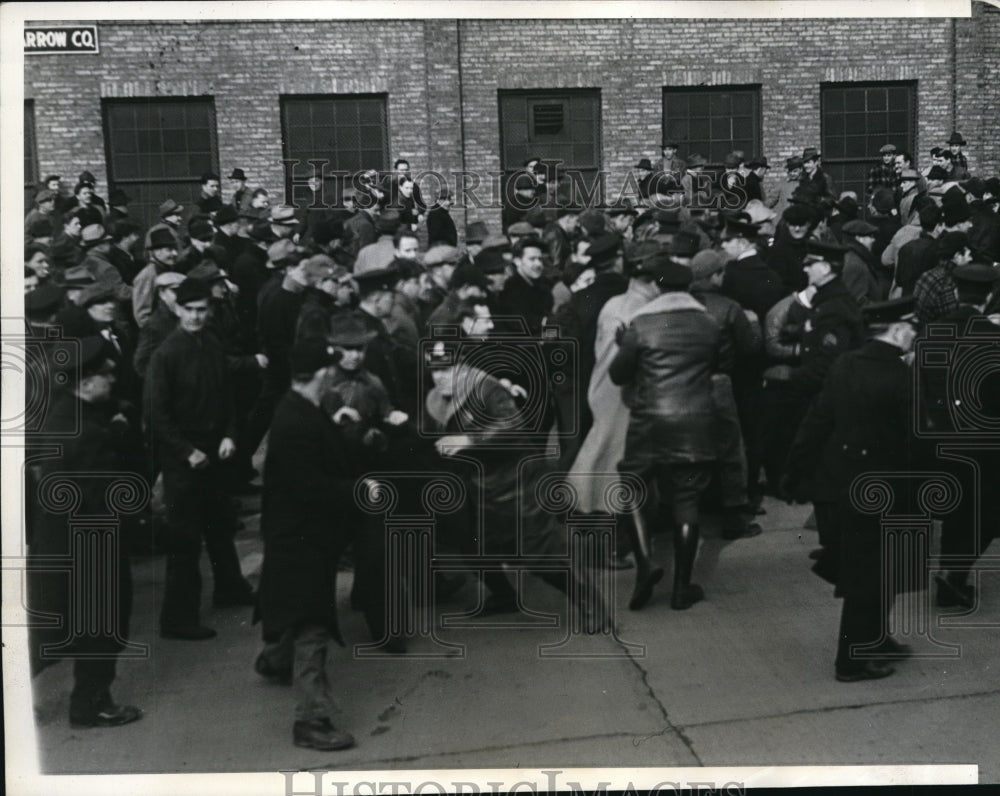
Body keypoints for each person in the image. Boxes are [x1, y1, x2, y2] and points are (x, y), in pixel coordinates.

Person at [28, 336, 144, 727]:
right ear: (85, 382)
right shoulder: (88, 435)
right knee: (100, 629)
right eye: (106, 376)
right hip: (90, 550)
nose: (112, 381)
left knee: (49, 636)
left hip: (59, 545)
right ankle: (92, 704)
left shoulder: (65, 413)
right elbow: (105, 496)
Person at [256, 338, 362, 751]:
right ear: (319, 375)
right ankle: (311, 720)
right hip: (303, 540)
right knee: (312, 625)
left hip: (295, 537)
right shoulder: (296, 421)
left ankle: (274, 660)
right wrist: (358, 489)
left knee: (294, 610)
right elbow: (310, 486)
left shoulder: (298, 410)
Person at [609, 254, 727, 610]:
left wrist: (622, 346)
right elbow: (718, 364)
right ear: (689, 286)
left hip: (649, 420)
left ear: (658, 287)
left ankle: (645, 564)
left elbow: (619, 375)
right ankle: (681, 588)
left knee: (631, 487)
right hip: (695, 420)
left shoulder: (640, 325)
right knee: (687, 498)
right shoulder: (708, 324)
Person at [147, 278, 255, 640]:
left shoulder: (211, 343)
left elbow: (227, 396)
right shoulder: (166, 354)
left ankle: (230, 588)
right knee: (185, 539)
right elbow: (156, 414)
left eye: (201, 310)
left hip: (214, 453)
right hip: (184, 462)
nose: (195, 316)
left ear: (209, 311)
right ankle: (178, 619)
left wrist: (229, 434)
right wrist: (185, 451)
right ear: (177, 309)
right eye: (189, 310)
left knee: (220, 525)